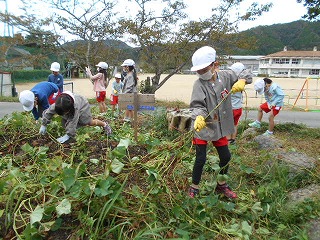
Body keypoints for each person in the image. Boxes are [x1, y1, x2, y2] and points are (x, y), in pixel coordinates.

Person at [189, 46, 253, 199]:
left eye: (204, 69)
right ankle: (194, 187)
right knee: (201, 159)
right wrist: (198, 117)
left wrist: (243, 80)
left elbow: (247, 73)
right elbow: (197, 105)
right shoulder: (199, 85)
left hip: (219, 127)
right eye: (199, 71)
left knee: (226, 157)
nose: (201, 73)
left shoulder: (226, 76)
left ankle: (221, 184)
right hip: (203, 126)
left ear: (214, 65)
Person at [39, 91, 112, 143]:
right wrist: (43, 124)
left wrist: (68, 135)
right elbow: (48, 112)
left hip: (83, 105)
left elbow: (73, 121)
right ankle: (72, 134)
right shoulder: (58, 104)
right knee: (64, 122)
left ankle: (105, 124)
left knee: (88, 122)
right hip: (68, 107)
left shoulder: (75, 107)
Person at [226, 62, 246, 144]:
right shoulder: (241, 82)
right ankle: (233, 140)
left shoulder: (232, 82)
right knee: (234, 124)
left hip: (231, 108)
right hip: (238, 108)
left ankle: (227, 141)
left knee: (227, 125)